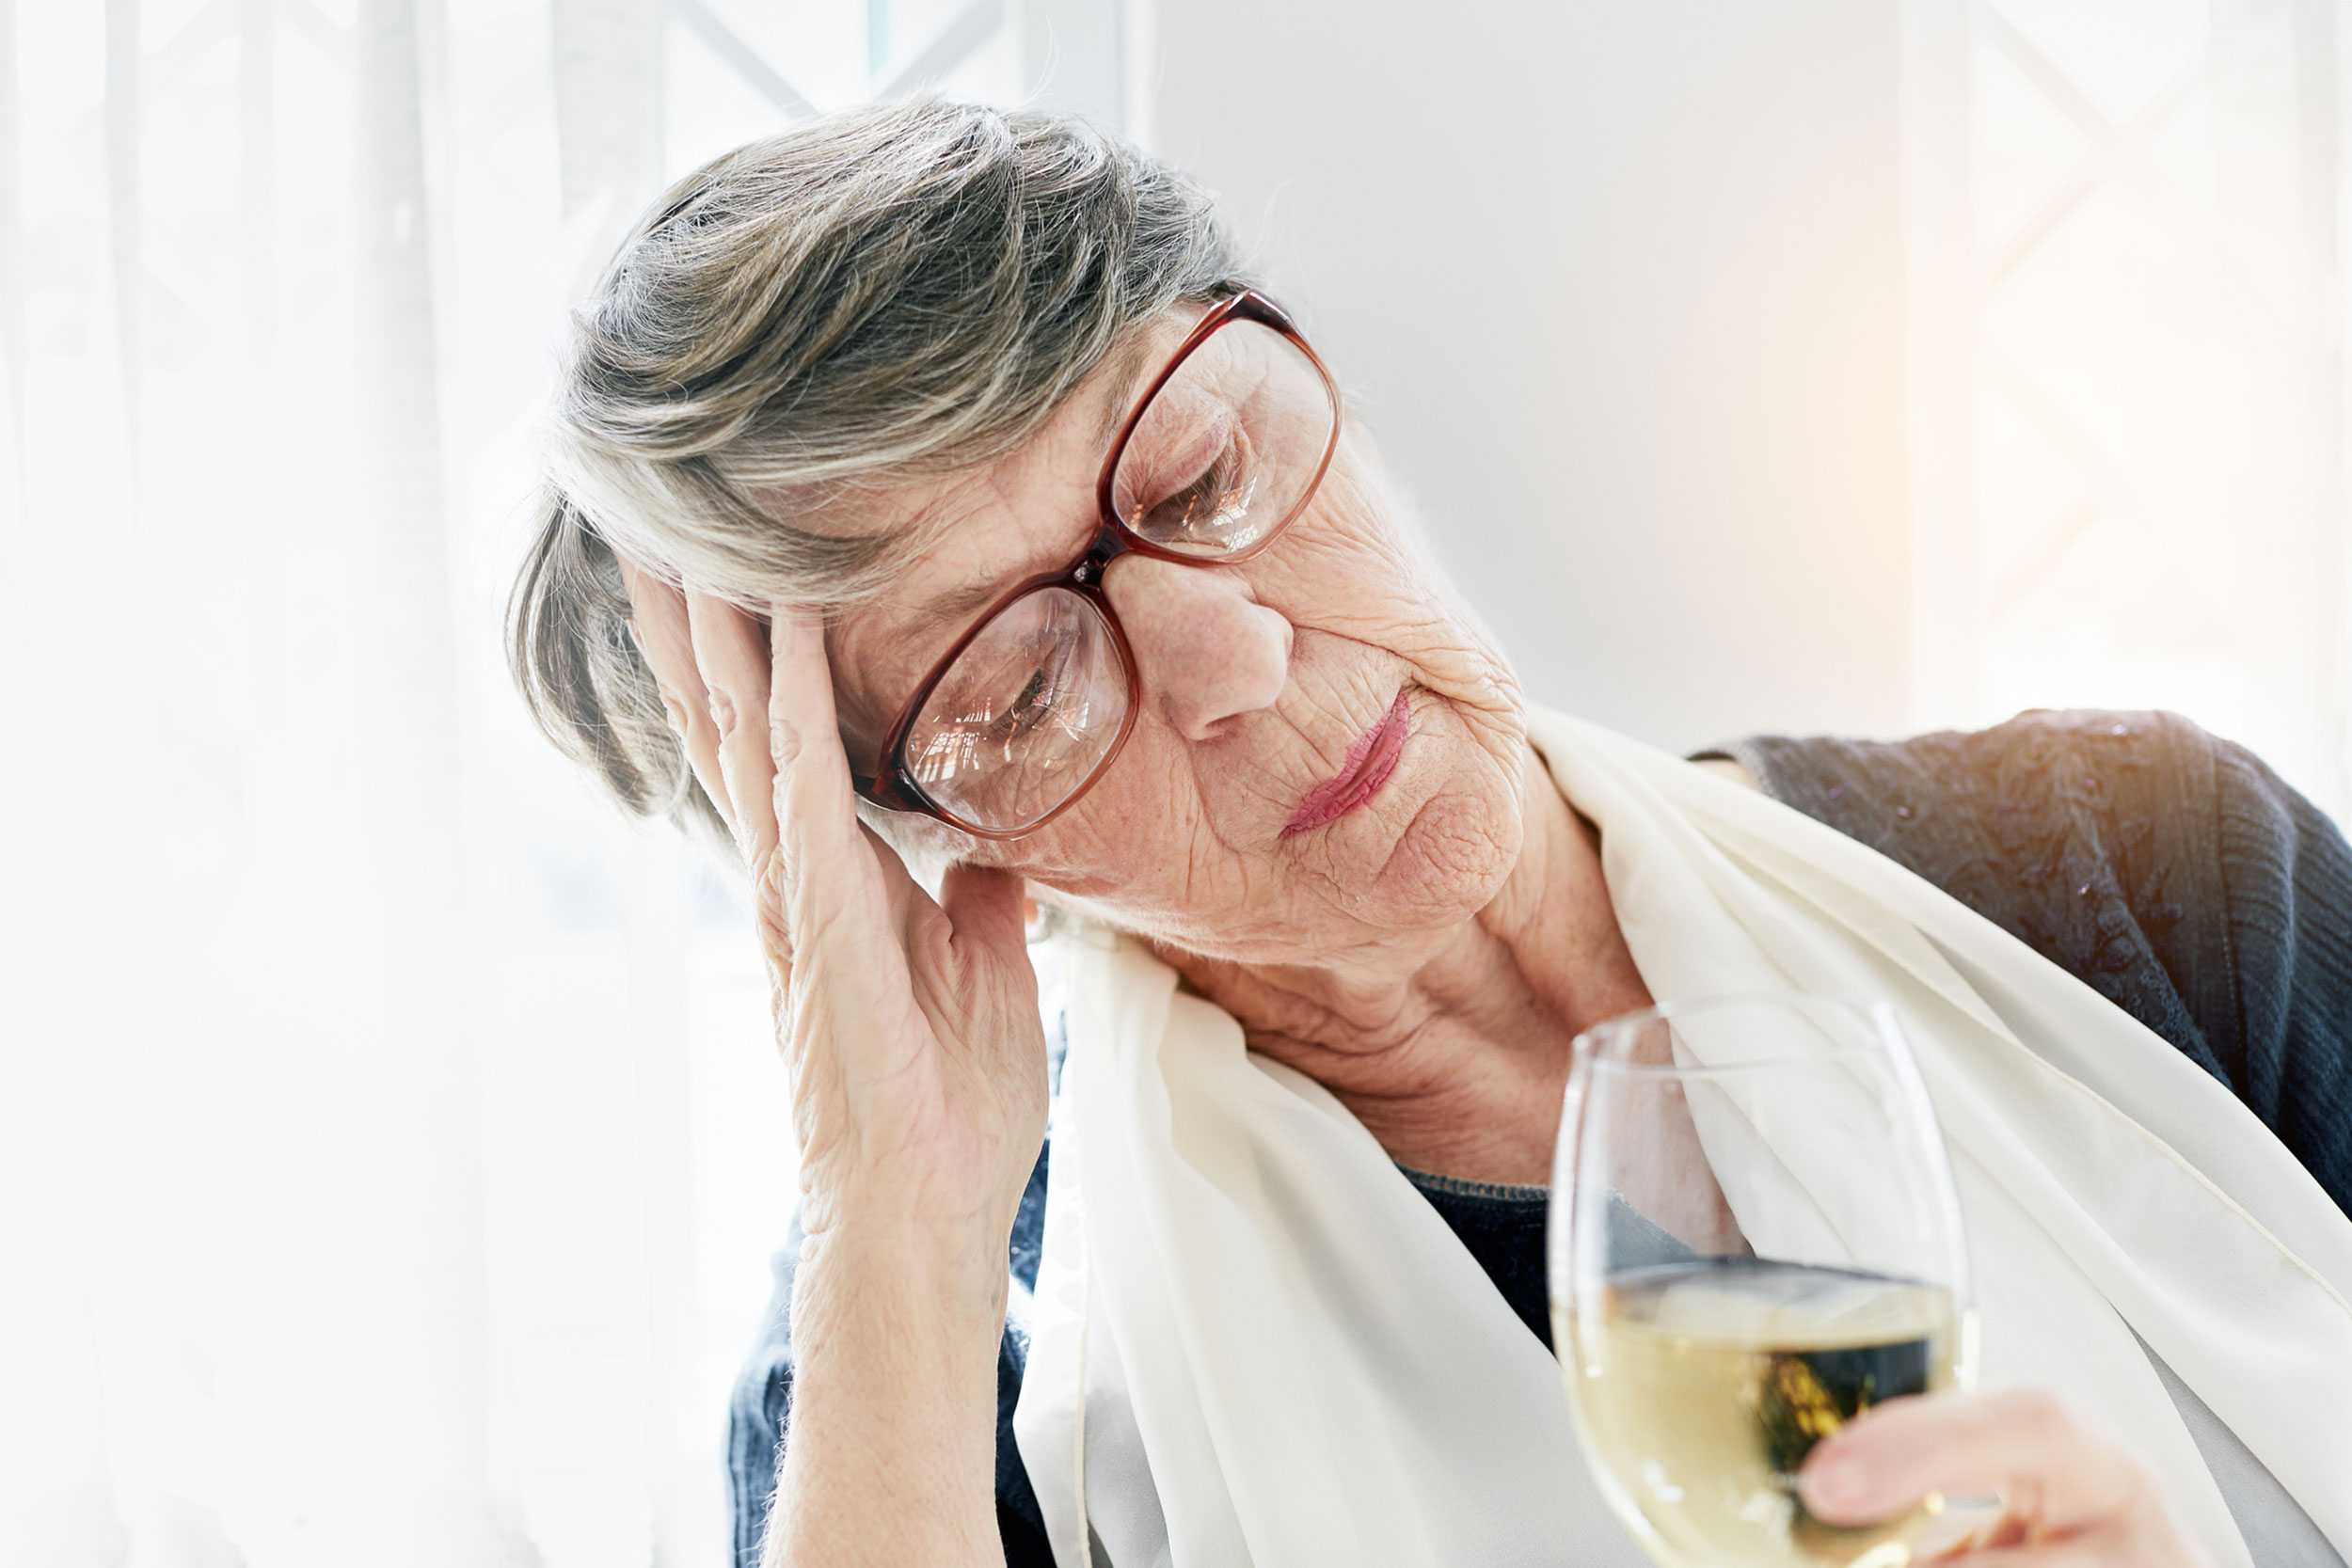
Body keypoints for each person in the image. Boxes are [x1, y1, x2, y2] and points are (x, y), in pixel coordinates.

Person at [508, 99, 2352, 1568]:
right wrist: (891, 1236)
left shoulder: (2153, 876)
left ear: (1313, 367)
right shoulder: (931, 1367)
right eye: (1012, 690)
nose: (1227, 652)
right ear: (910, 850)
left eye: (1206, 472)